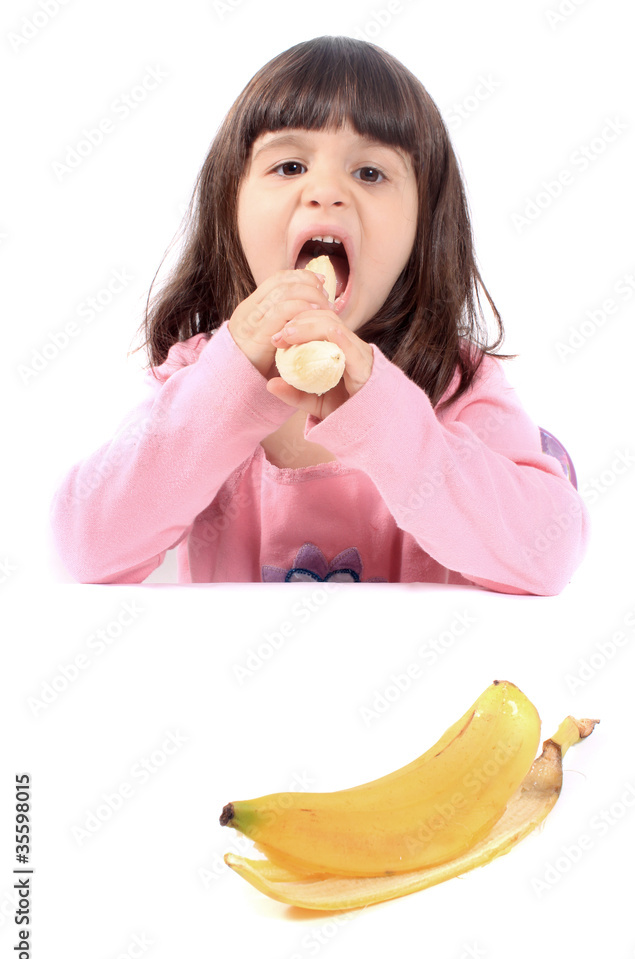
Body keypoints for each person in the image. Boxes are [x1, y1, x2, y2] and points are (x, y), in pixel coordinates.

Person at [50, 35, 589, 594]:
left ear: (422, 226)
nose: (326, 191)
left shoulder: (453, 381)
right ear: (228, 207)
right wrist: (226, 387)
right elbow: (87, 546)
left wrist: (386, 418)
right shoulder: (197, 375)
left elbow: (548, 552)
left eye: (371, 174)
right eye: (288, 165)